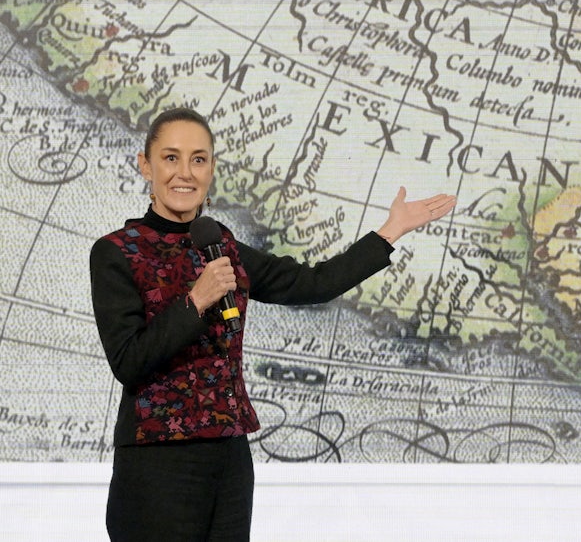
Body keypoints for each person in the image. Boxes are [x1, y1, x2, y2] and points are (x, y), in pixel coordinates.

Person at [90, 107, 456, 541]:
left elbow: (311, 284)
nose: (185, 172)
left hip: (229, 457)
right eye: (171, 158)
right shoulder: (116, 251)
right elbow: (129, 361)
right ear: (145, 165)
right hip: (157, 462)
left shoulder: (220, 244)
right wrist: (196, 300)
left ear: (211, 169)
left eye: (199, 159)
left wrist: (390, 232)